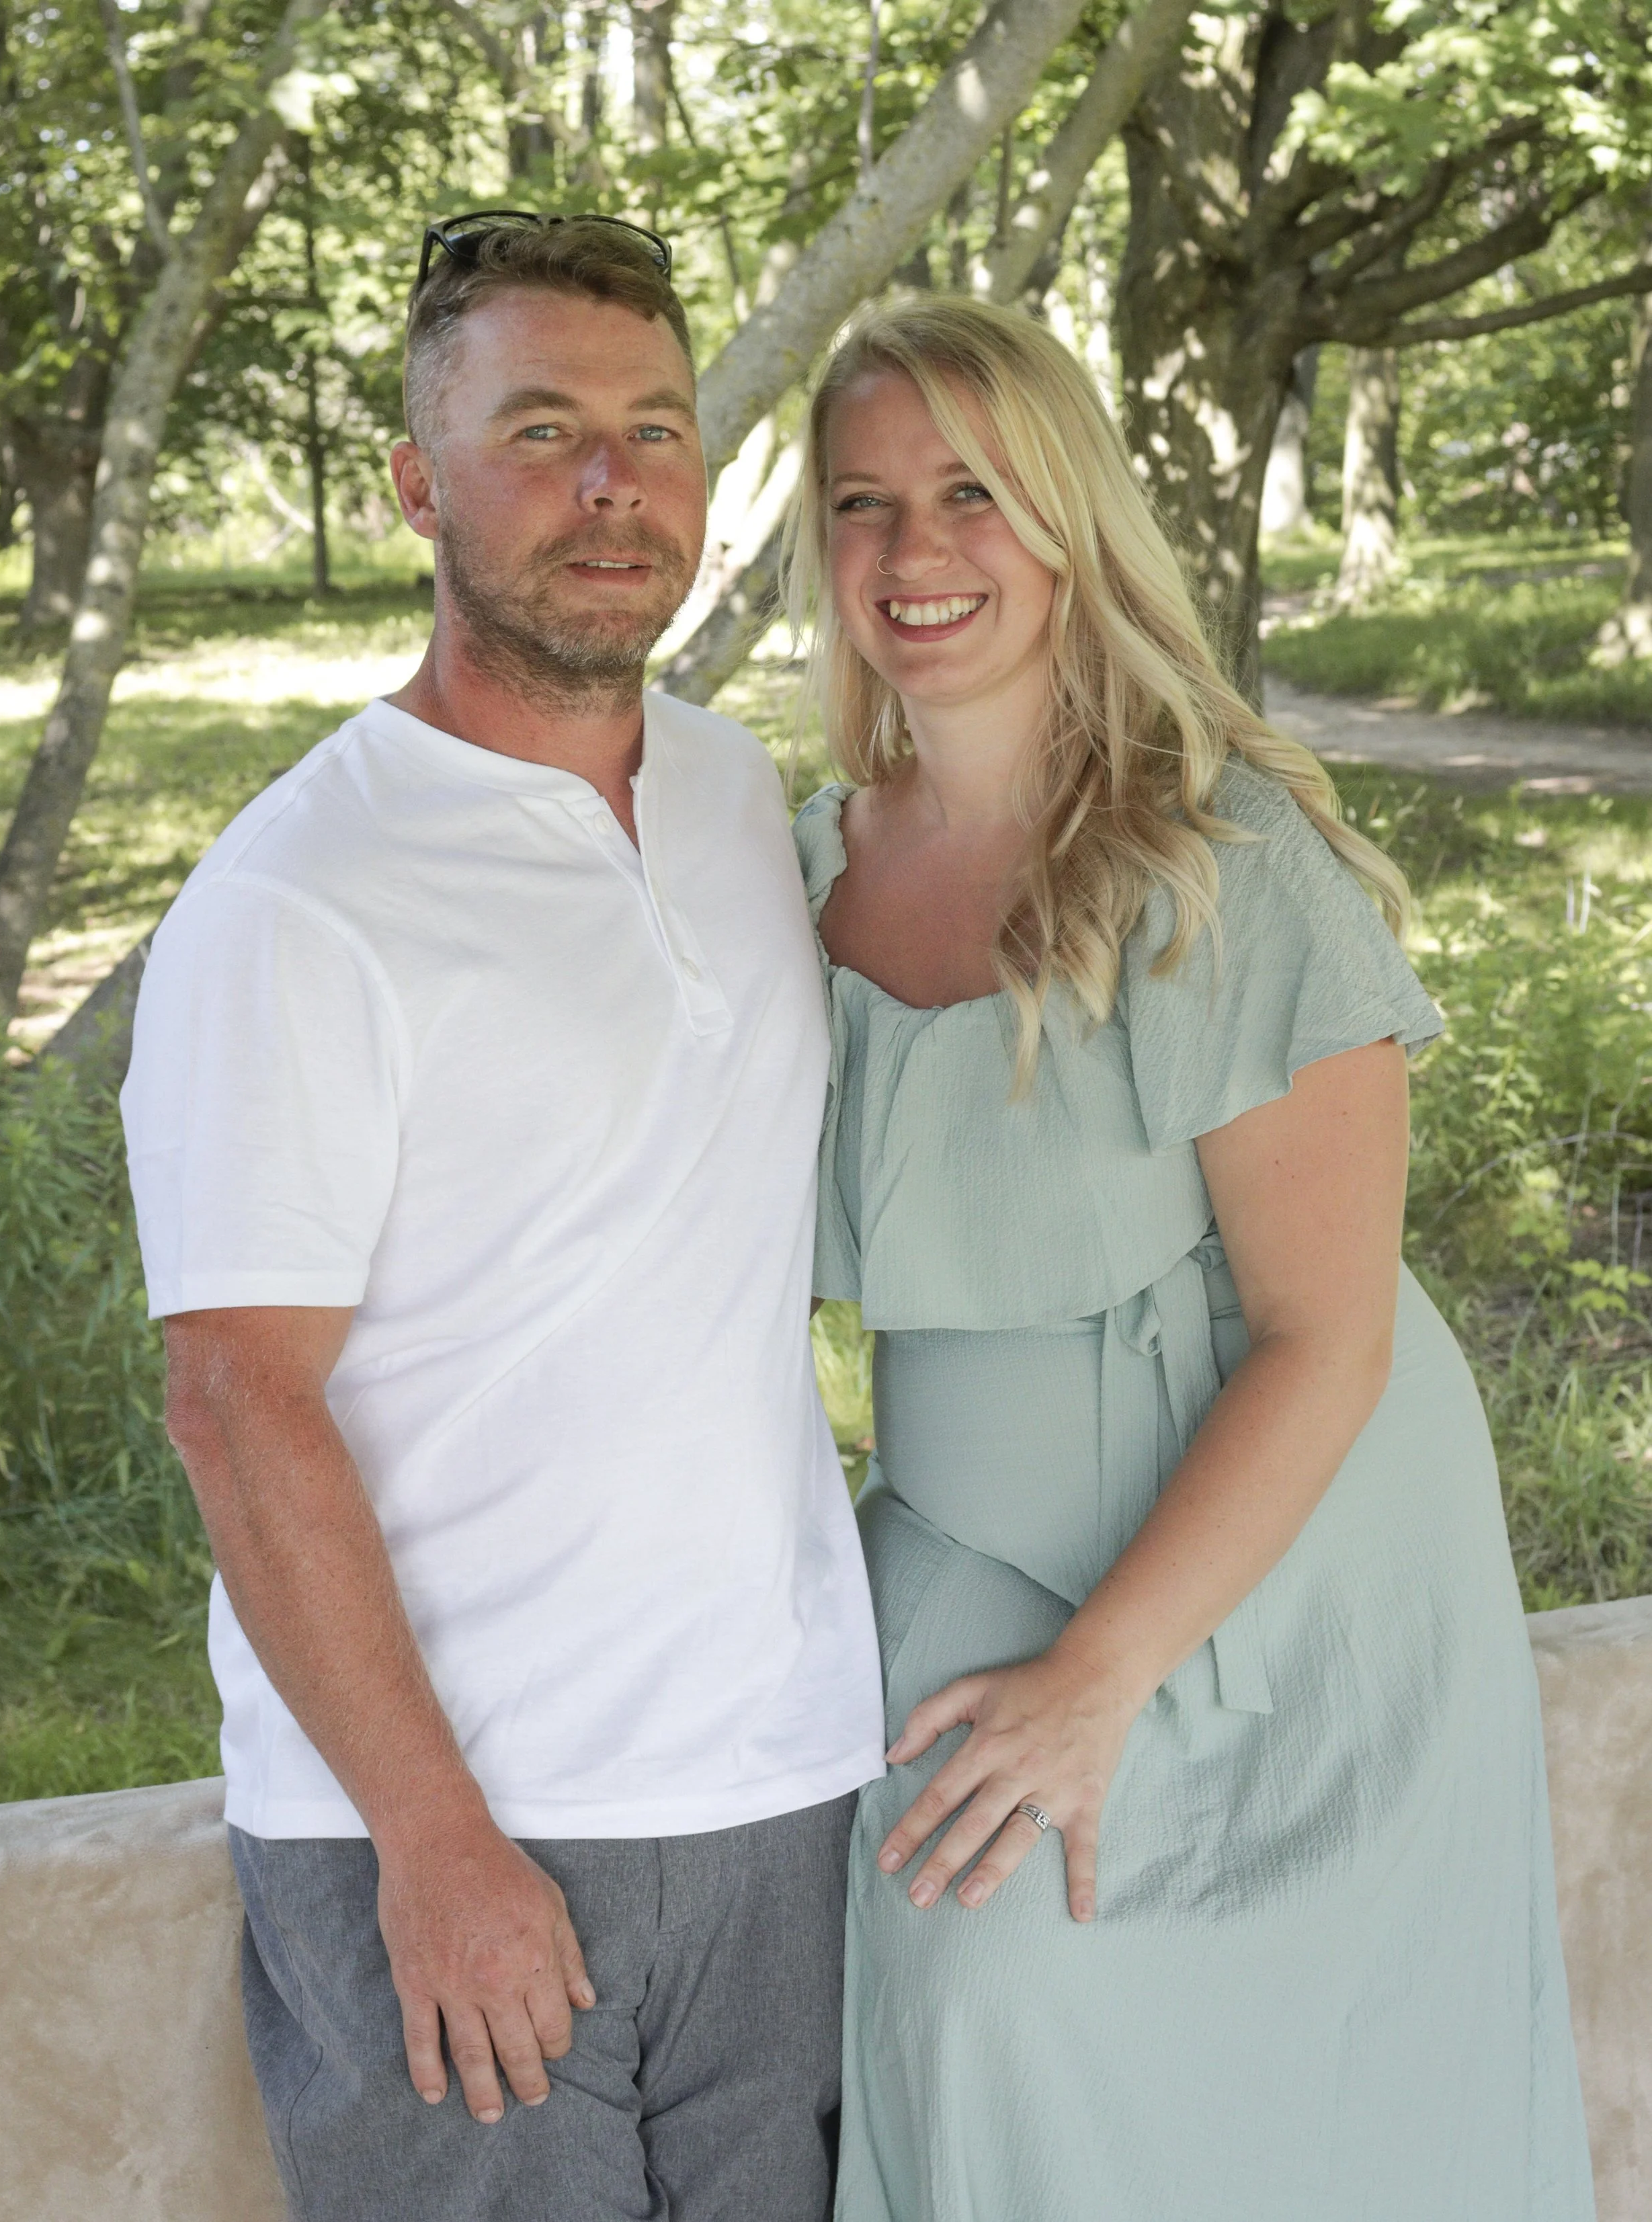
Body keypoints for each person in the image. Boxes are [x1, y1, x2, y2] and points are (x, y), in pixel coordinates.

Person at [785, 296, 1596, 2221]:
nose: (913, 550)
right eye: (863, 502)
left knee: (1323, 2110)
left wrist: (1100, 1679)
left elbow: (1327, 1338)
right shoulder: (794, 866)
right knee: (973, 2010)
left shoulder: (1224, 860)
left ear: (1070, 518)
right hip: (966, 1534)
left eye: (972, 492)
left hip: (1301, 1567)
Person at [120, 212, 883, 2222]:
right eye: (540, 431)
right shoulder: (299, 897)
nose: (613, 483)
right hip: (462, 1833)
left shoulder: (738, 801)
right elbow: (235, 1403)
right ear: (415, 485)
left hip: (778, 1782)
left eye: (656, 429)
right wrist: (434, 1845)